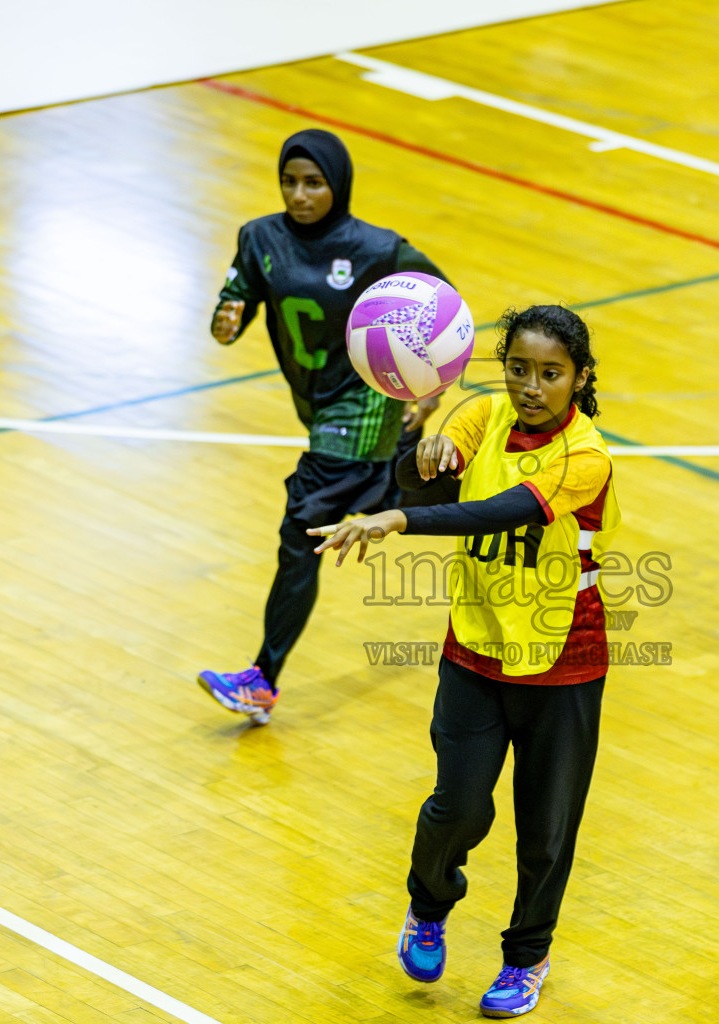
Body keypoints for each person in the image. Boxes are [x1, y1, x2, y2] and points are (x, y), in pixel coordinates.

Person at [309, 305, 620, 1018]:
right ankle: (428, 905)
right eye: (518, 369)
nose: (532, 387)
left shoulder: (588, 456)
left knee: (546, 830)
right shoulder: (481, 417)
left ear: (579, 378)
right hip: (474, 649)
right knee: (457, 805)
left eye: (551, 374)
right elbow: (434, 479)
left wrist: (398, 520)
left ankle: (526, 958)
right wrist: (421, 443)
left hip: (563, 663)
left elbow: (500, 512)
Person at [196, 128, 451, 725]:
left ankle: (261, 680)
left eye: (314, 183)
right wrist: (225, 321)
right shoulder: (260, 238)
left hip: (361, 406)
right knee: (412, 494)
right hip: (316, 408)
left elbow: (443, 308)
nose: (300, 195)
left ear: (338, 184)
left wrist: (431, 386)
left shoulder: (378, 249)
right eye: (289, 182)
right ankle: (531, 524)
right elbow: (228, 313)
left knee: (301, 529)